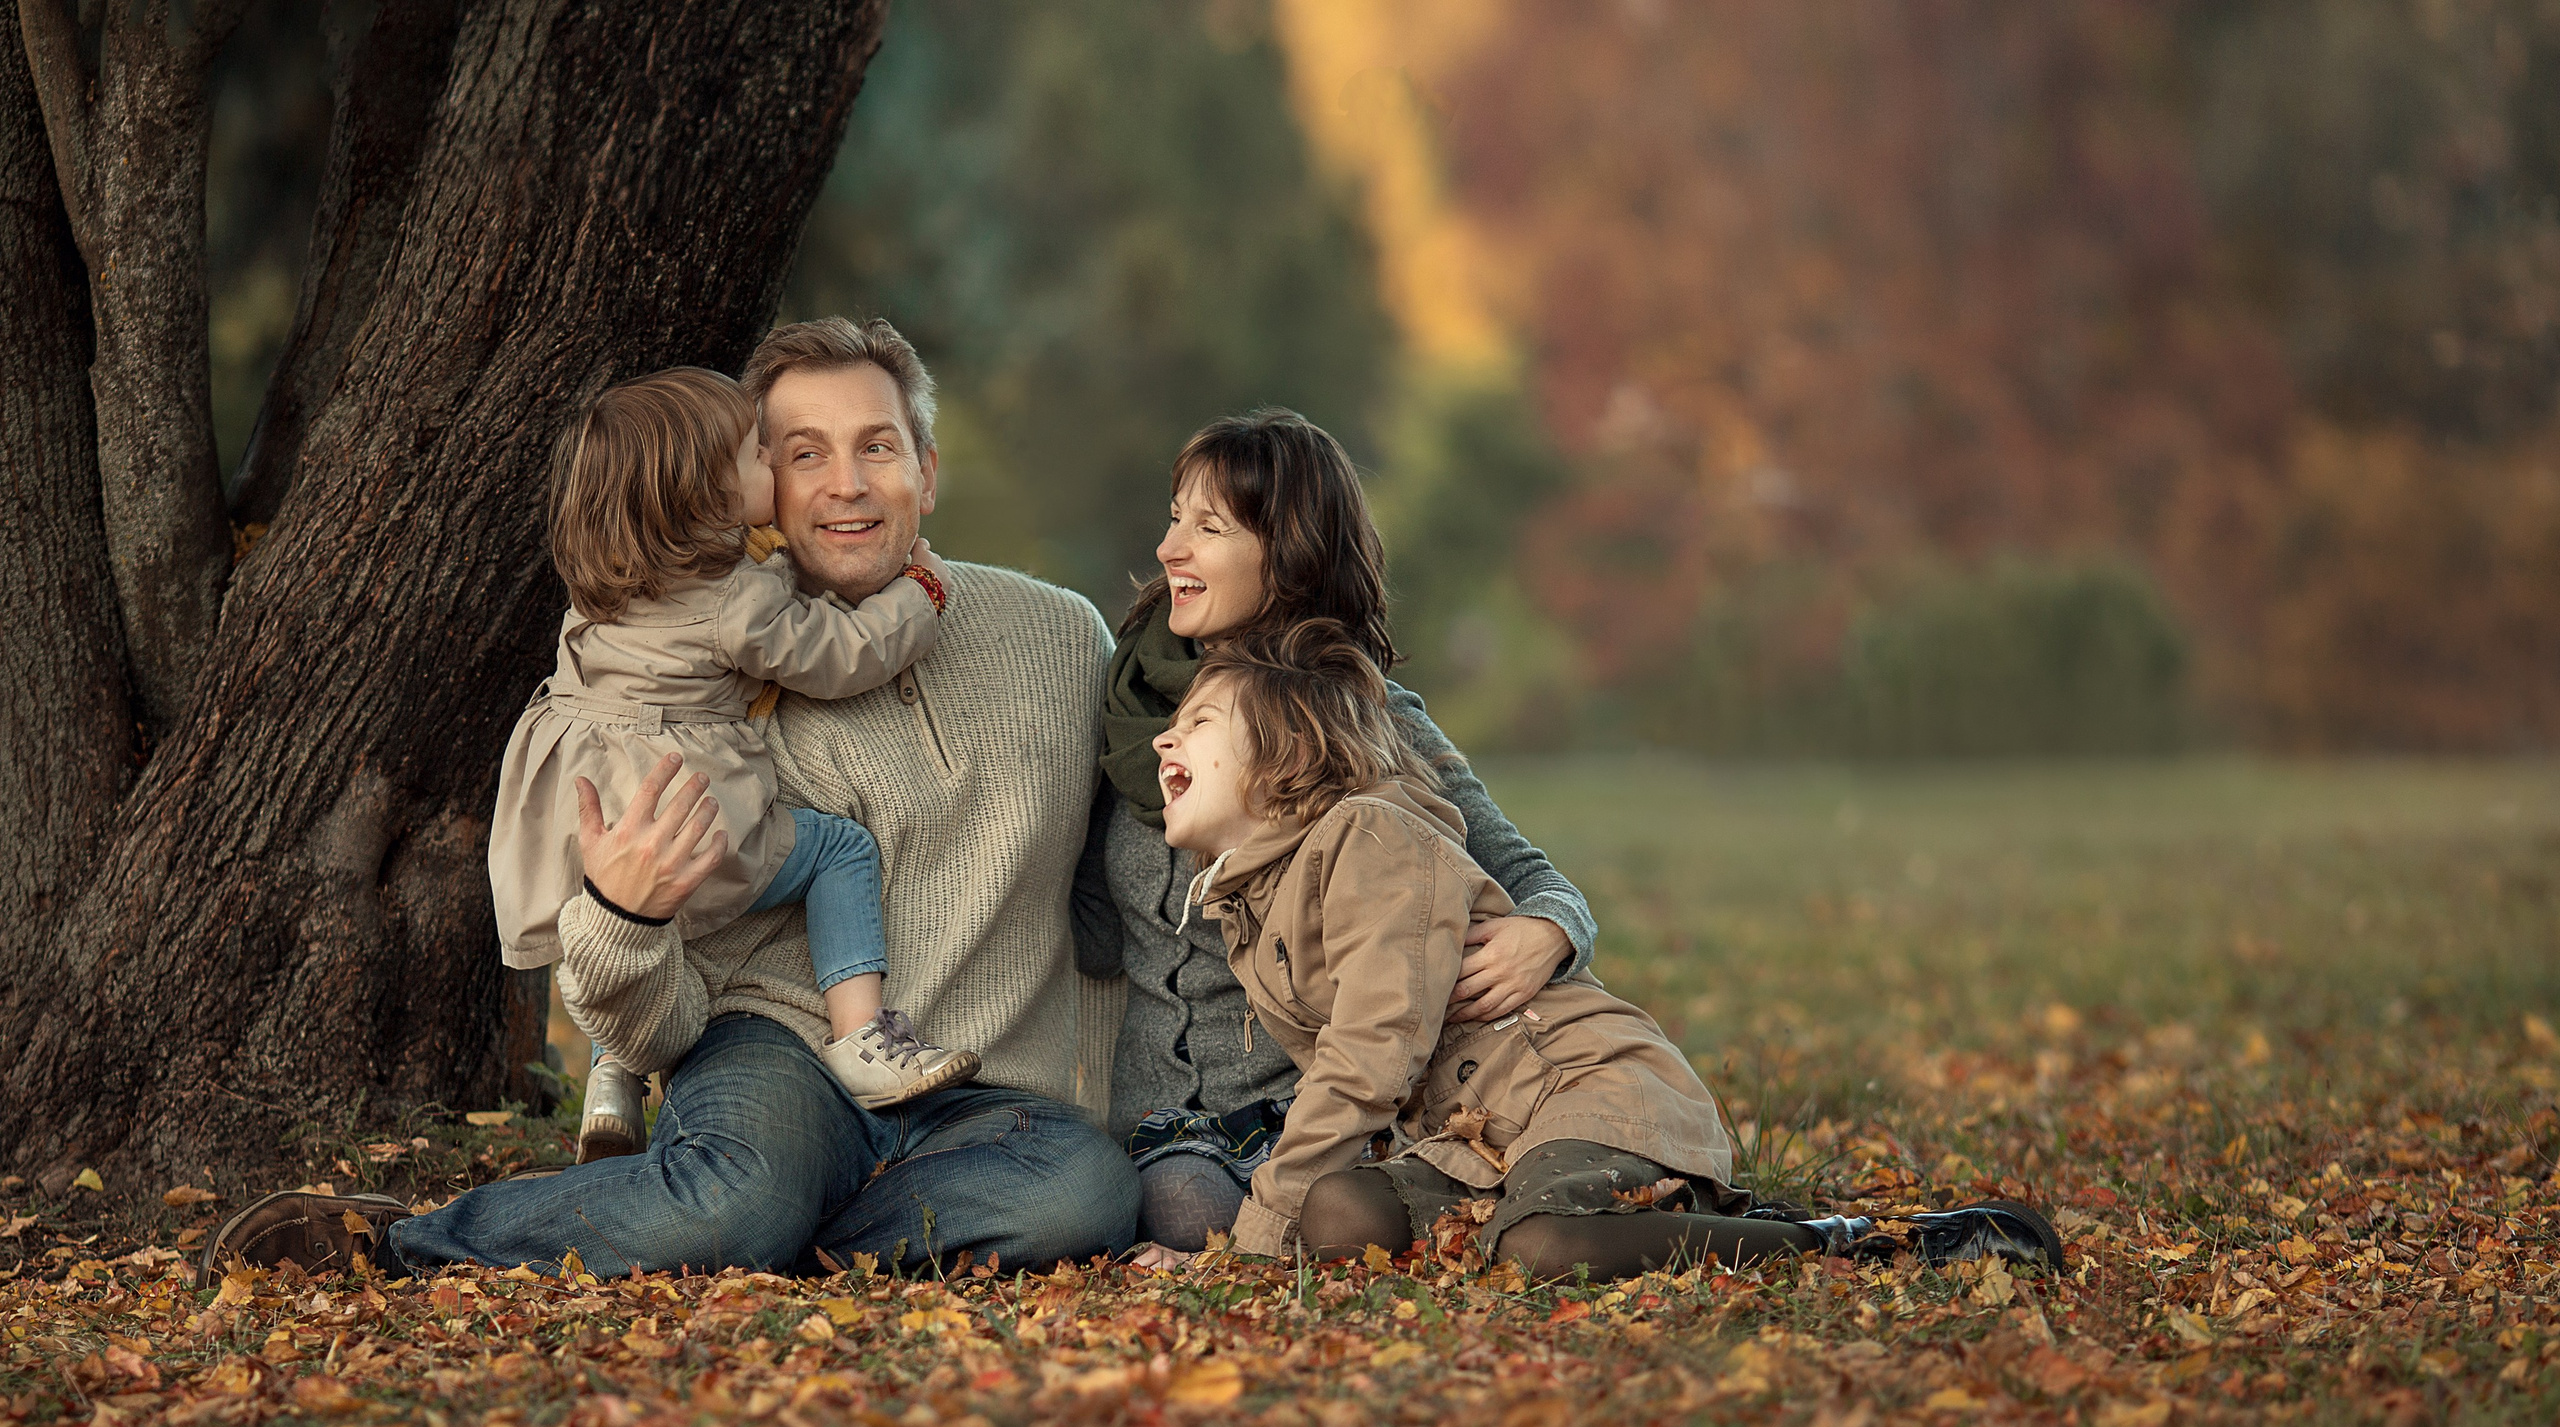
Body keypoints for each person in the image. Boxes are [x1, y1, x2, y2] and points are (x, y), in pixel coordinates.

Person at [200, 318, 1140, 1285]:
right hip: (781, 1060)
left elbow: (1131, 884)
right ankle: (399, 1245)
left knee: (1087, 1191)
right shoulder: (702, 693)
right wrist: (620, 918)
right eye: (803, 453)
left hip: (978, 1095)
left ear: (927, 473)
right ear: (755, 488)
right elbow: (657, 1030)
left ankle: (745, 1227)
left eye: (877, 447)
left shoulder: (1061, 638)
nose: (847, 484)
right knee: (747, 1191)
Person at [1148, 621, 2065, 1279]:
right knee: (1340, 1212)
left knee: (1547, 1248)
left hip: (1582, 1093)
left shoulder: (1371, 840)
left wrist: (1247, 1243)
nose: (1164, 737)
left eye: (1197, 723)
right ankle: (1539, 1224)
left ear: (1285, 757)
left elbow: (1367, 1056)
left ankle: (1848, 1242)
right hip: (1473, 1142)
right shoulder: (1252, 900)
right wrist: (1290, 1217)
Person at [1076, 407, 1599, 1250]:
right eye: (1176, 517)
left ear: (1288, 556)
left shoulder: (1364, 718)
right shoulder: (1125, 710)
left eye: (1208, 528)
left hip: (1318, 1106)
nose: (1171, 548)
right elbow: (1082, 921)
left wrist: (1552, 931)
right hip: (1161, 1120)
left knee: (1248, 1212)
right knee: (1182, 1205)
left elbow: (1530, 874)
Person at [488, 366, 976, 1163]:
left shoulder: (603, 588)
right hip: (696, 820)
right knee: (839, 849)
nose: (775, 469)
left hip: (588, 823)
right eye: (761, 455)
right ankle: (862, 1038)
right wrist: (918, 592)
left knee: (653, 934)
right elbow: (841, 653)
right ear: (707, 497)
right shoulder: (735, 604)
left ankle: (613, 1077)